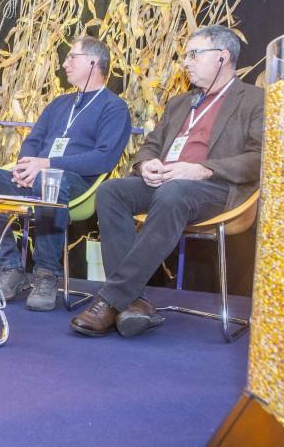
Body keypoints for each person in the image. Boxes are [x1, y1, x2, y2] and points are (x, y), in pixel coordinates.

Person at [70, 25, 264, 338]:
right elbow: (151, 144)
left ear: (223, 57)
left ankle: (111, 300)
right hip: (166, 183)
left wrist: (203, 169)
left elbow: (260, 157)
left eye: (194, 54)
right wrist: (146, 163)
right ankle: (133, 302)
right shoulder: (180, 103)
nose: (186, 62)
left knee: (174, 193)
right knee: (111, 191)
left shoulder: (254, 99)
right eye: (185, 56)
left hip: (216, 188)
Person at [0, 36, 131, 312]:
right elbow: (33, 141)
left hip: (78, 183)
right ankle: (10, 267)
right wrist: (25, 166)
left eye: (72, 57)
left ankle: (47, 274)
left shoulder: (114, 107)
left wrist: (45, 164)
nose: (64, 63)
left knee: (50, 180)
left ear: (93, 62)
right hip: (35, 176)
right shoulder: (60, 103)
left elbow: (104, 158)